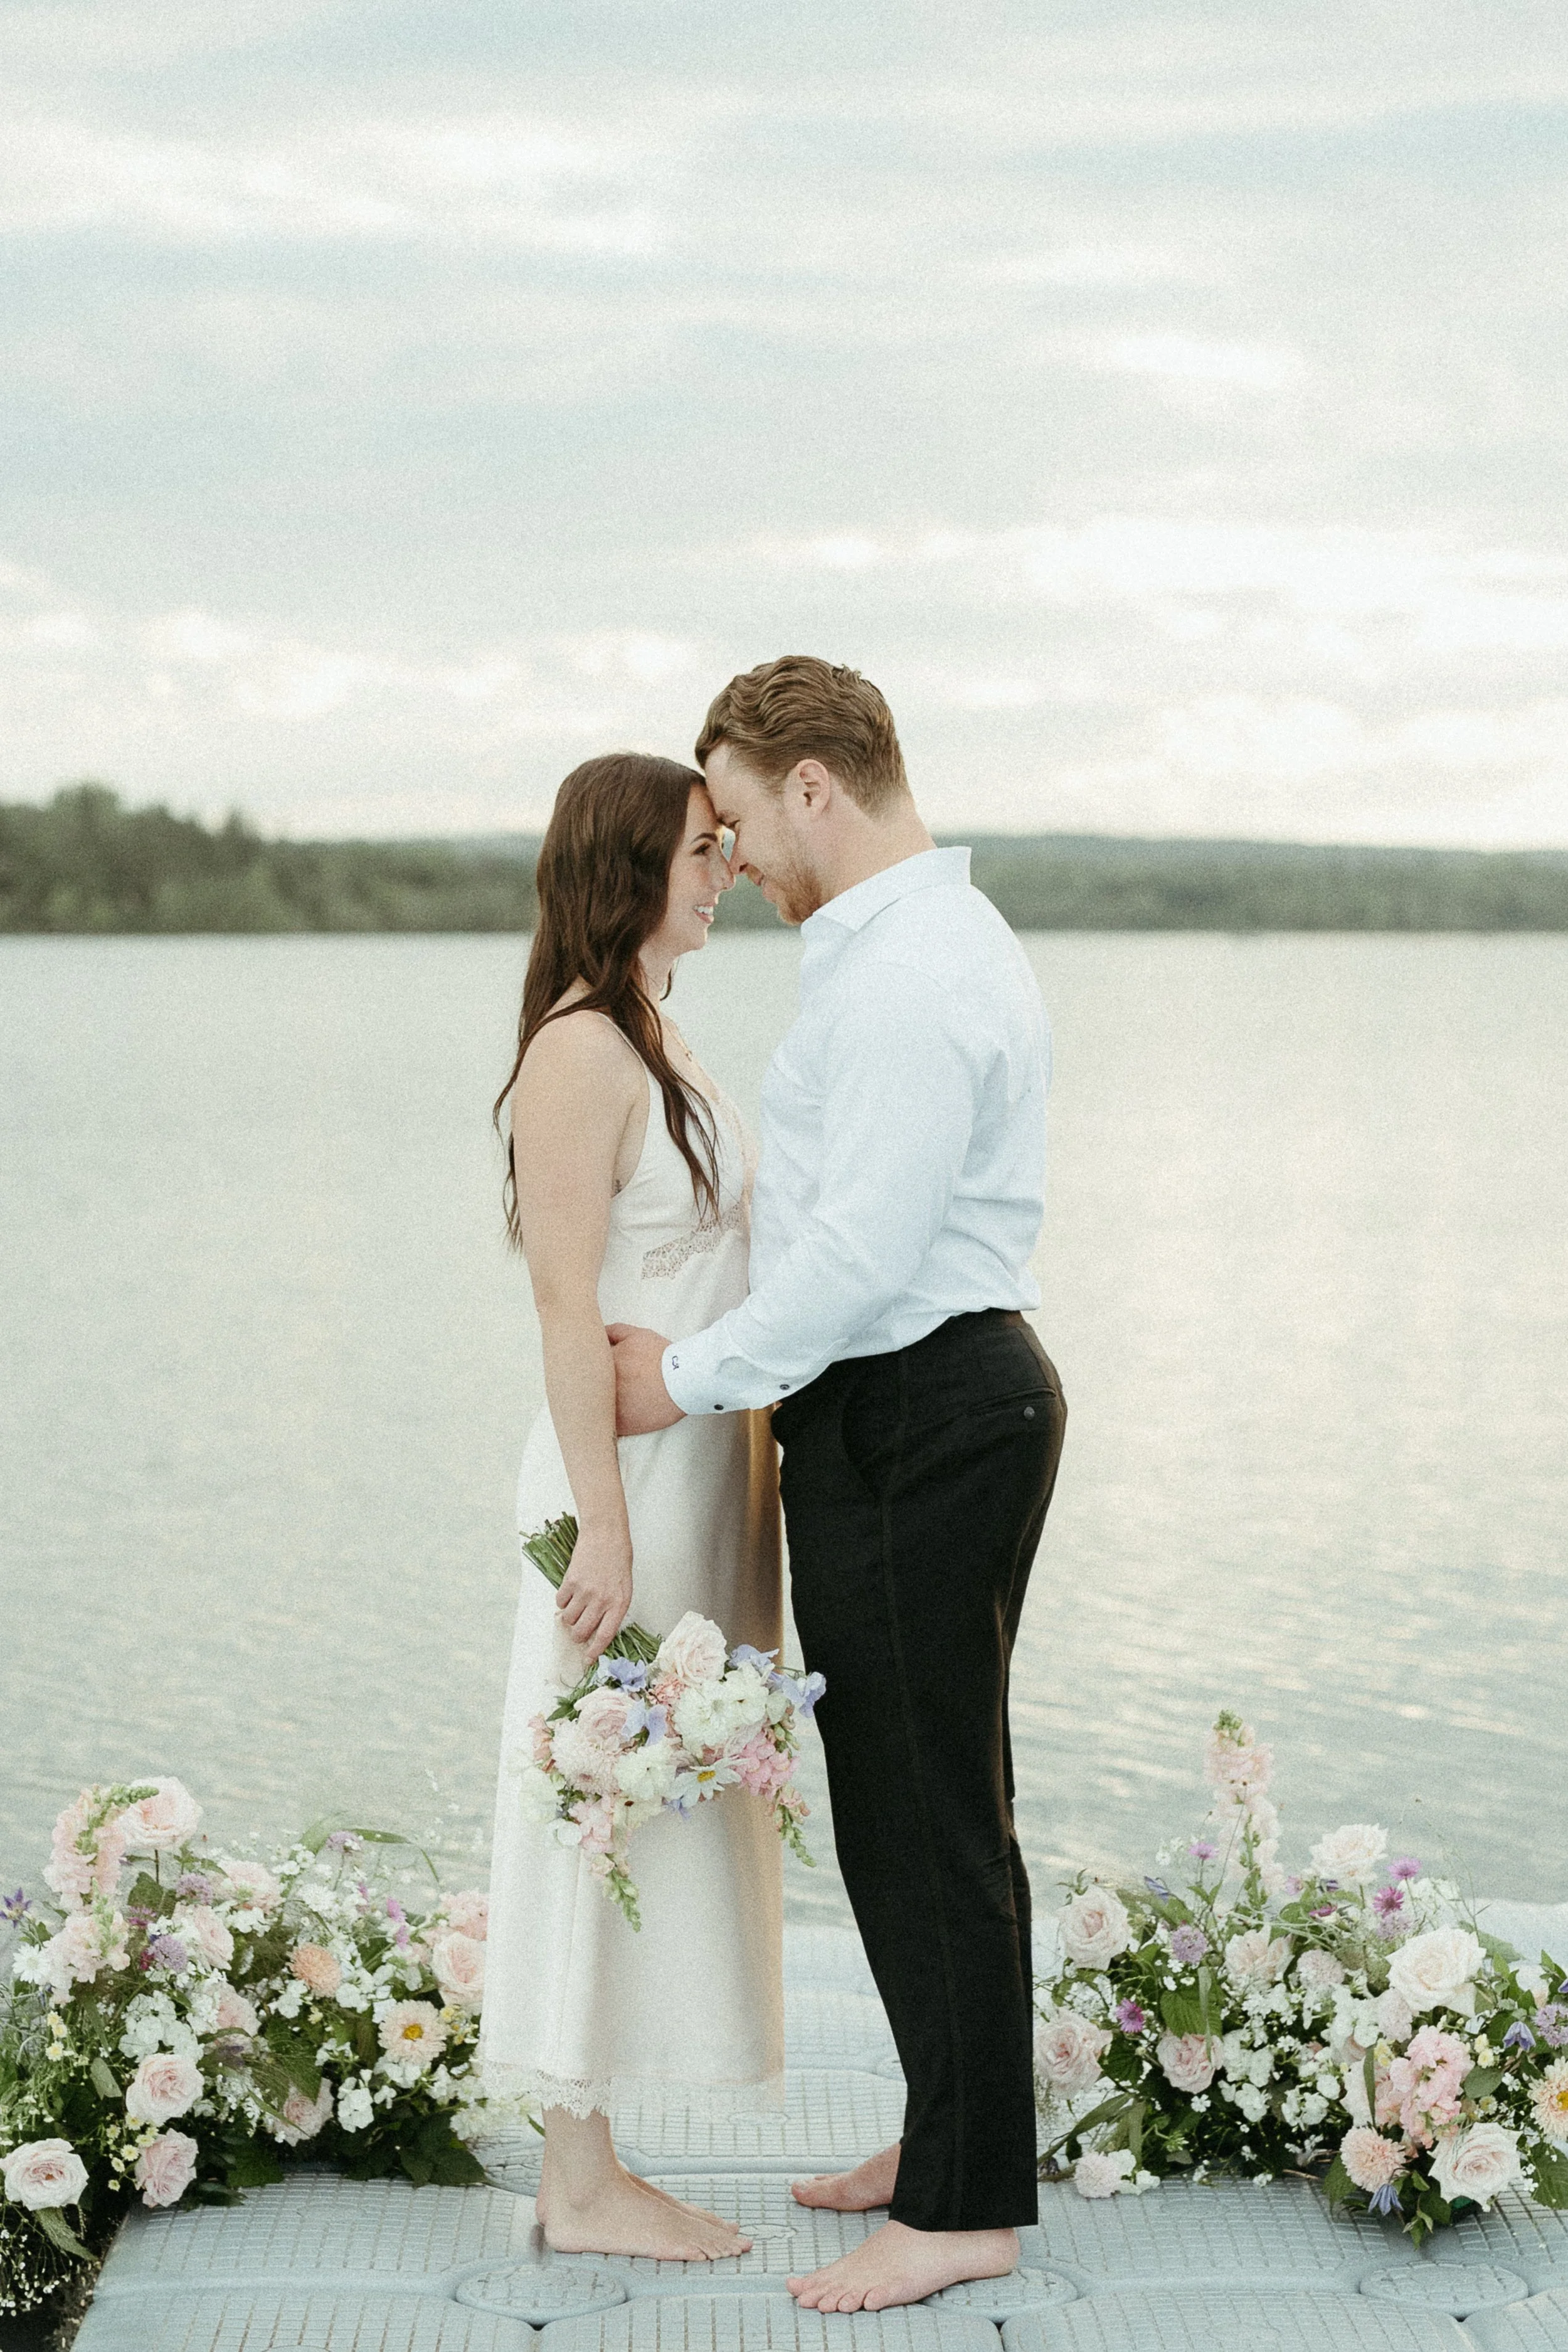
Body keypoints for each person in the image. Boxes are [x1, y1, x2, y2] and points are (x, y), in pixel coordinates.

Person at [610, 657, 1067, 2312]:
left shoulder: (901, 975)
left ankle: (958, 2207)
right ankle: (955, 2143)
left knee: (922, 1807)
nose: (728, 856)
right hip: (926, 1402)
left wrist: (684, 1370)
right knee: (927, 1799)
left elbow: (862, 1251)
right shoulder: (912, 946)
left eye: (733, 817)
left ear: (812, 785)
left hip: (915, 1402)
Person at [478, 751, 785, 2262]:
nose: (723, 873)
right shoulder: (580, 1050)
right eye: (698, 851)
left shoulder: (659, 1032)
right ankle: (579, 2180)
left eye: (727, 848)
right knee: (594, 1795)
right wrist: (599, 1525)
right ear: (623, 867)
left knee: (663, 1800)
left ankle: (601, 2162)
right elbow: (558, 1310)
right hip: (623, 1483)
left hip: (700, 1470)